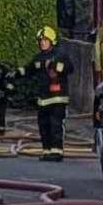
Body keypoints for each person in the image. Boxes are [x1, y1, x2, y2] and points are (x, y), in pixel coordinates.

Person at [25, 26, 70, 162]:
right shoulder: (38, 58)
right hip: (43, 99)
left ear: (52, 41)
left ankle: (57, 152)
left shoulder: (60, 54)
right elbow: (28, 69)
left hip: (58, 98)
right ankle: (47, 151)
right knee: (43, 125)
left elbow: (69, 68)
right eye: (40, 40)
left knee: (56, 124)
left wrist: (55, 65)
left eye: (45, 40)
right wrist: (13, 74)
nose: (42, 43)